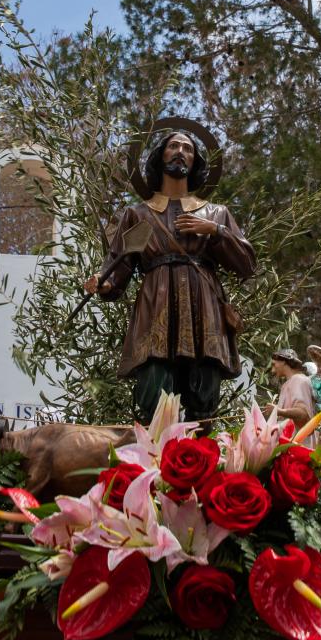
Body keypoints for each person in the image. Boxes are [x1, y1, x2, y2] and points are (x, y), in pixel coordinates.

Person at [84, 121, 257, 424]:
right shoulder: (137, 214)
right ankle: (156, 460)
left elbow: (246, 264)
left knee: (204, 395)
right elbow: (119, 263)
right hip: (156, 307)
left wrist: (214, 231)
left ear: (195, 162)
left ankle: (203, 460)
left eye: (188, 149)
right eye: (173, 147)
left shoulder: (215, 213)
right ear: (159, 157)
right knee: (154, 390)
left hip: (204, 309)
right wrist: (104, 283)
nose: (180, 152)